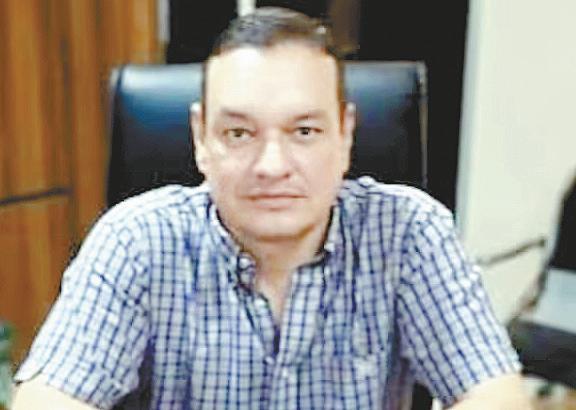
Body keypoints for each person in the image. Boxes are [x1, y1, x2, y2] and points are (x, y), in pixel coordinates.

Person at [12, 7, 531, 410]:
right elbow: (48, 399)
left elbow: (493, 391)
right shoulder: (137, 240)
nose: (272, 165)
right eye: (240, 133)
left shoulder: (409, 232)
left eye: (304, 131)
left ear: (345, 134)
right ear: (200, 137)